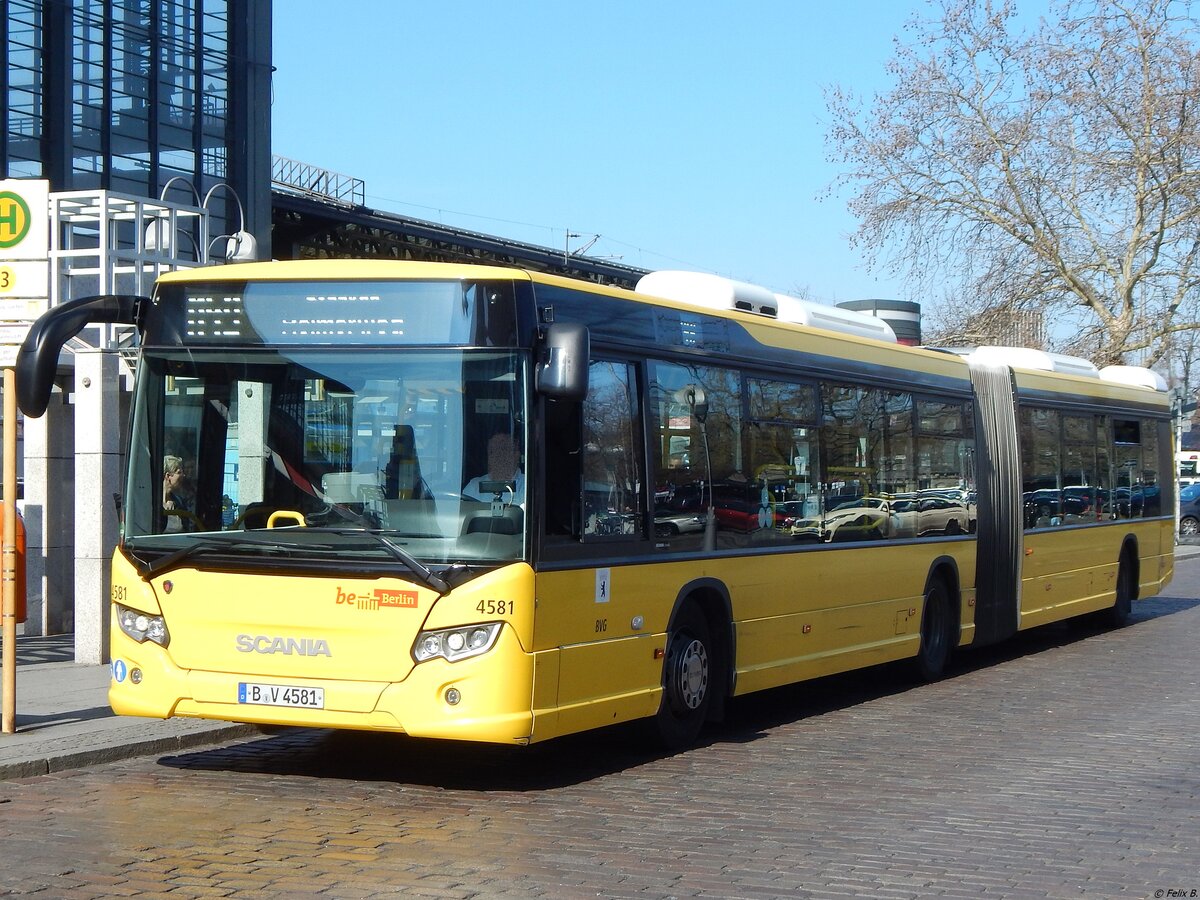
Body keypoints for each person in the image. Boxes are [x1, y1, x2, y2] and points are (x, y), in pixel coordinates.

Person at [463, 431, 525, 506]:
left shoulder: (527, 486)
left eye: (503, 450)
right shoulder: (474, 486)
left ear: (517, 455)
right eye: (493, 451)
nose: (498, 456)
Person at [163, 455, 190, 532]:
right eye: (179, 472)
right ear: (168, 476)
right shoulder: (150, 504)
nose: (183, 475)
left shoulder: (180, 503)